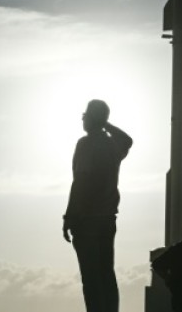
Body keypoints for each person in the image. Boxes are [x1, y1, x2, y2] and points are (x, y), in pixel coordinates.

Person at [63, 99, 133, 312]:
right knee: (106, 275)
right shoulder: (112, 145)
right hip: (107, 219)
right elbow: (127, 140)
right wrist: (106, 124)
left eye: (85, 115)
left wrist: (69, 216)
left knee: (91, 279)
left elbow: (80, 182)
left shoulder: (86, 144)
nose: (82, 119)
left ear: (91, 118)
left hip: (87, 219)